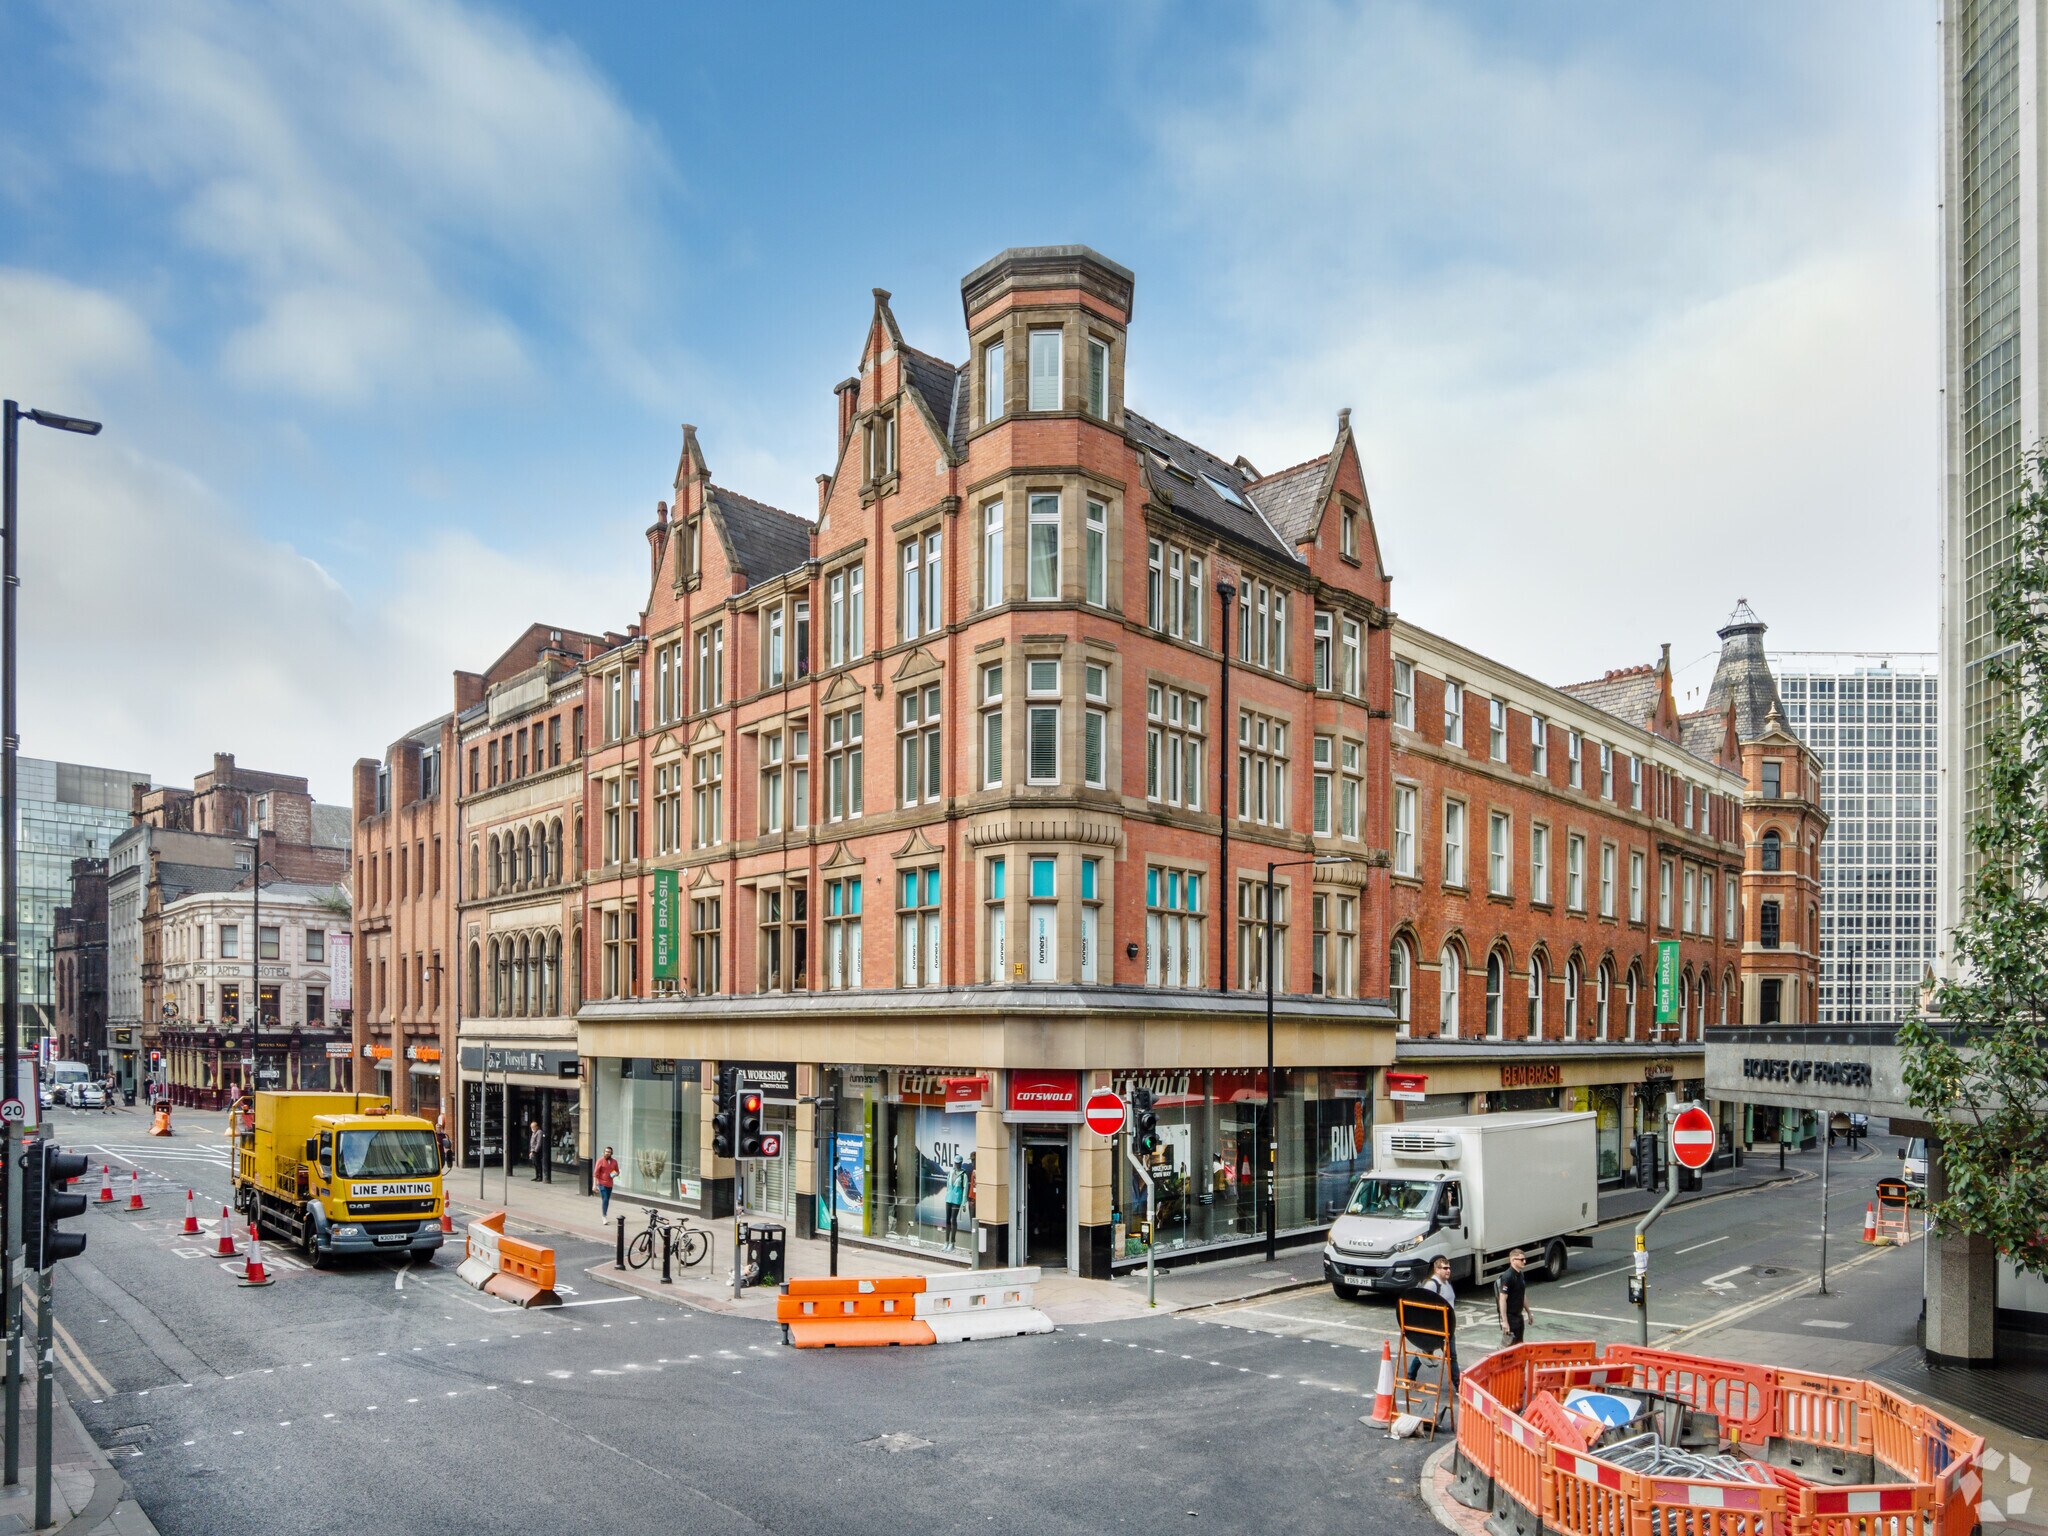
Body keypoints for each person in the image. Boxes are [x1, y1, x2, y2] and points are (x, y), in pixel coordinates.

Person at [1408, 1255, 1460, 1388]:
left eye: (1449, 1268)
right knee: (1429, 1351)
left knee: (1447, 1355)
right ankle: (1458, 1384)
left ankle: (1458, 1384)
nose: (1448, 1271)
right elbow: (1421, 1302)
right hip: (1437, 1327)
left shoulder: (1446, 1283)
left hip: (1448, 1326)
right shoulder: (1432, 1284)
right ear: (1436, 1270)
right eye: (1444, 1268)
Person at [1496, 1247, 1534, 1346]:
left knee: (1520, 1345)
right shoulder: (1508, 1277)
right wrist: (1505, 1321)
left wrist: (1529, 1312)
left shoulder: (1520, 1274)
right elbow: (1502, 1299)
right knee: (1510, 1347)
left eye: (1524, 1259)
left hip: (1519, 1316)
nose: (1524, 1262)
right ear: (1513, 1260)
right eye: (1521, 1260)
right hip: (1510, 1317)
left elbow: (1522, 1294)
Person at [943, 1157, 969, 1247]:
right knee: (947, 1219)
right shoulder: (950, 1172)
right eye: (955, 1162)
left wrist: (964, 1202)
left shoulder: (963, 1175)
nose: (956, 1164)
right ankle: (946, 1241)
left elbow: (965, 1189)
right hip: (949, 1198)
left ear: (961, 1163)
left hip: (957, 1200)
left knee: (953, 1219)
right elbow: (947, 1184)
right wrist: (947, 1194)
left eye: (958, 1163)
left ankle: (952, 1242)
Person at [594, 1146, 619, 1218]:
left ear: (611, 1153)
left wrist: (613, 1174)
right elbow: (596, 1174)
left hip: (610, 1184)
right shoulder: (600, 1161)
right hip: (601, 1183)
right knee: (605, 1199)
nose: (607, 1153)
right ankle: (604, 1216)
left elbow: (617, 1171)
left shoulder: (614, 1162)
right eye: (606, 1152)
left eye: (609, 1152)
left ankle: (604, 1212)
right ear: (604, 1152)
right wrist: (594, 1185)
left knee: (607, 1200)